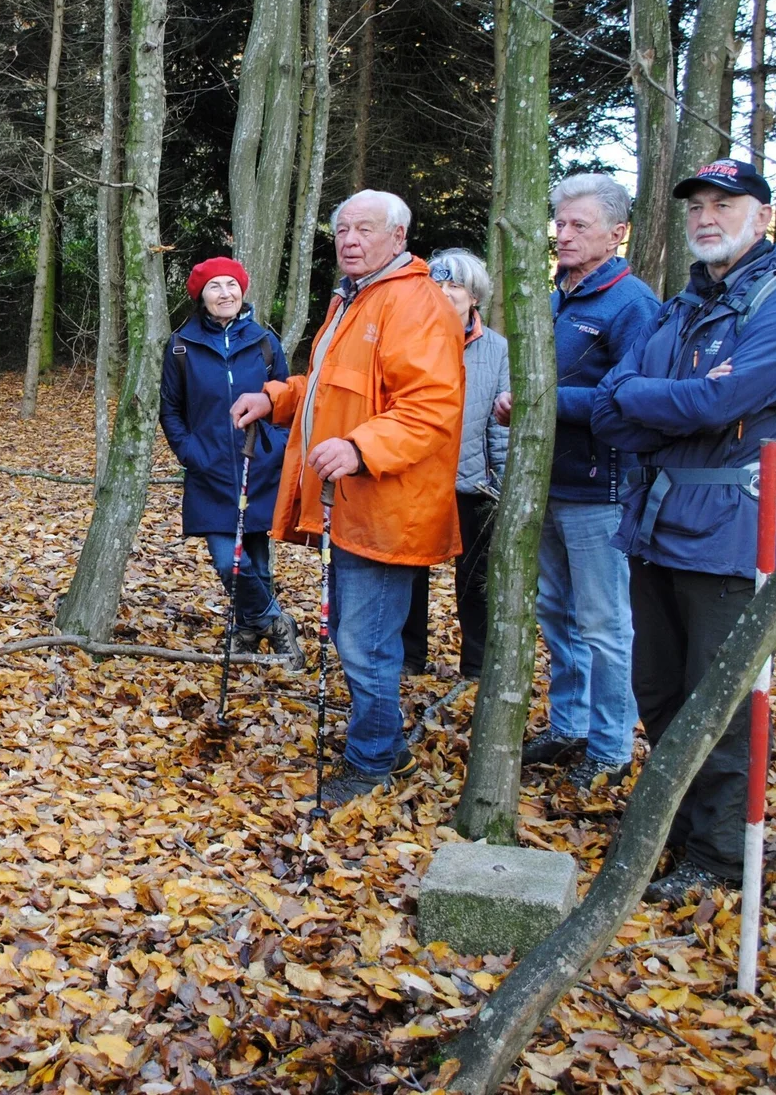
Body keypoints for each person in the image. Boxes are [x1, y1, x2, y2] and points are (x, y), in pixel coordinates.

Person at [592, 158, 776, 903]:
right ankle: (679, 824)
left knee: (719, 705)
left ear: (762, 216)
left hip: (733, 533)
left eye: (725, 204)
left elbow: (710, 403)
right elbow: (609, 408)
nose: (706, 217)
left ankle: (720, 859)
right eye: (696, 205)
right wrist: (672, 399)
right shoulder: (680, 306)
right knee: (658, 691)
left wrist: (657, 397)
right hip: (656, 525)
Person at [230, 190, 465, 809]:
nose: (351, 241)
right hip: (351, 503)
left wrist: (363, 447)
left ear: (399, 236)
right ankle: (383, 745)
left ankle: (373, 762)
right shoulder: (352, 298)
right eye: (342, 231)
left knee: (366, 642)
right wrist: (277, 398)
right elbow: (331, 387)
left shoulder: (416, 302)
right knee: (354, 636)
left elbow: (431, 407)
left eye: (365, 229)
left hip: (388, 507)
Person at [501, 174, 662, 791]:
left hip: (602, 490)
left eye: (579, 225)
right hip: (547, 482)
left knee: (603, 624)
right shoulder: (554, 298)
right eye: (560, 223)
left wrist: (538, 402)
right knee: (556, 614)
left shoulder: (632, 304)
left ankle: (612, 747)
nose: (563, 235)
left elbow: (630, 399)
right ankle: (568, 726)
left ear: (617, 233)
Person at [159, 256, 300, 665]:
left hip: (260, 467)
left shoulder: (264, 342)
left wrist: (276, 445)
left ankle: (248, 633)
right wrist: (190, 452)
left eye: (232, 285)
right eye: (215, 287)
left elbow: (285, 402)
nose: (225, 293)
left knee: (258, 562)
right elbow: (171, 410)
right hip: (210, 471)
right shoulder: (182, 346)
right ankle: (276, 623)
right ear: (201, 296)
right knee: (228, 561)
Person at [400, 248, 508, 681]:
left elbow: (501, 424)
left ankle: (477, 666)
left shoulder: (497, 349)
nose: (444, 293)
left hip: (473, 483)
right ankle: (409, 658)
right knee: (410, 574)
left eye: (455, 286)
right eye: (437, 285)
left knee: (476, 579)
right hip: (417, 479)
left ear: (474, 296)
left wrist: (500, 483)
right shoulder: (409, 338)